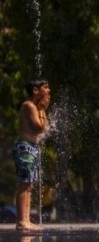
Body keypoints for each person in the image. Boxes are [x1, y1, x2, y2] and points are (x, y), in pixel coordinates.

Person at [15, 78, 51, 232]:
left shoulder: (35, 107)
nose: (49, 91)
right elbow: (38, 126)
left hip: (32, 148)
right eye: (46, 87)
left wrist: (43, 109)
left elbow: (46, 127)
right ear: (36, 91)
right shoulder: (29, 106)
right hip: (25, 148)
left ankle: (26, 219)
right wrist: (42, 109)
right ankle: (21, 221)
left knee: (29, 185)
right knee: (24, 184)